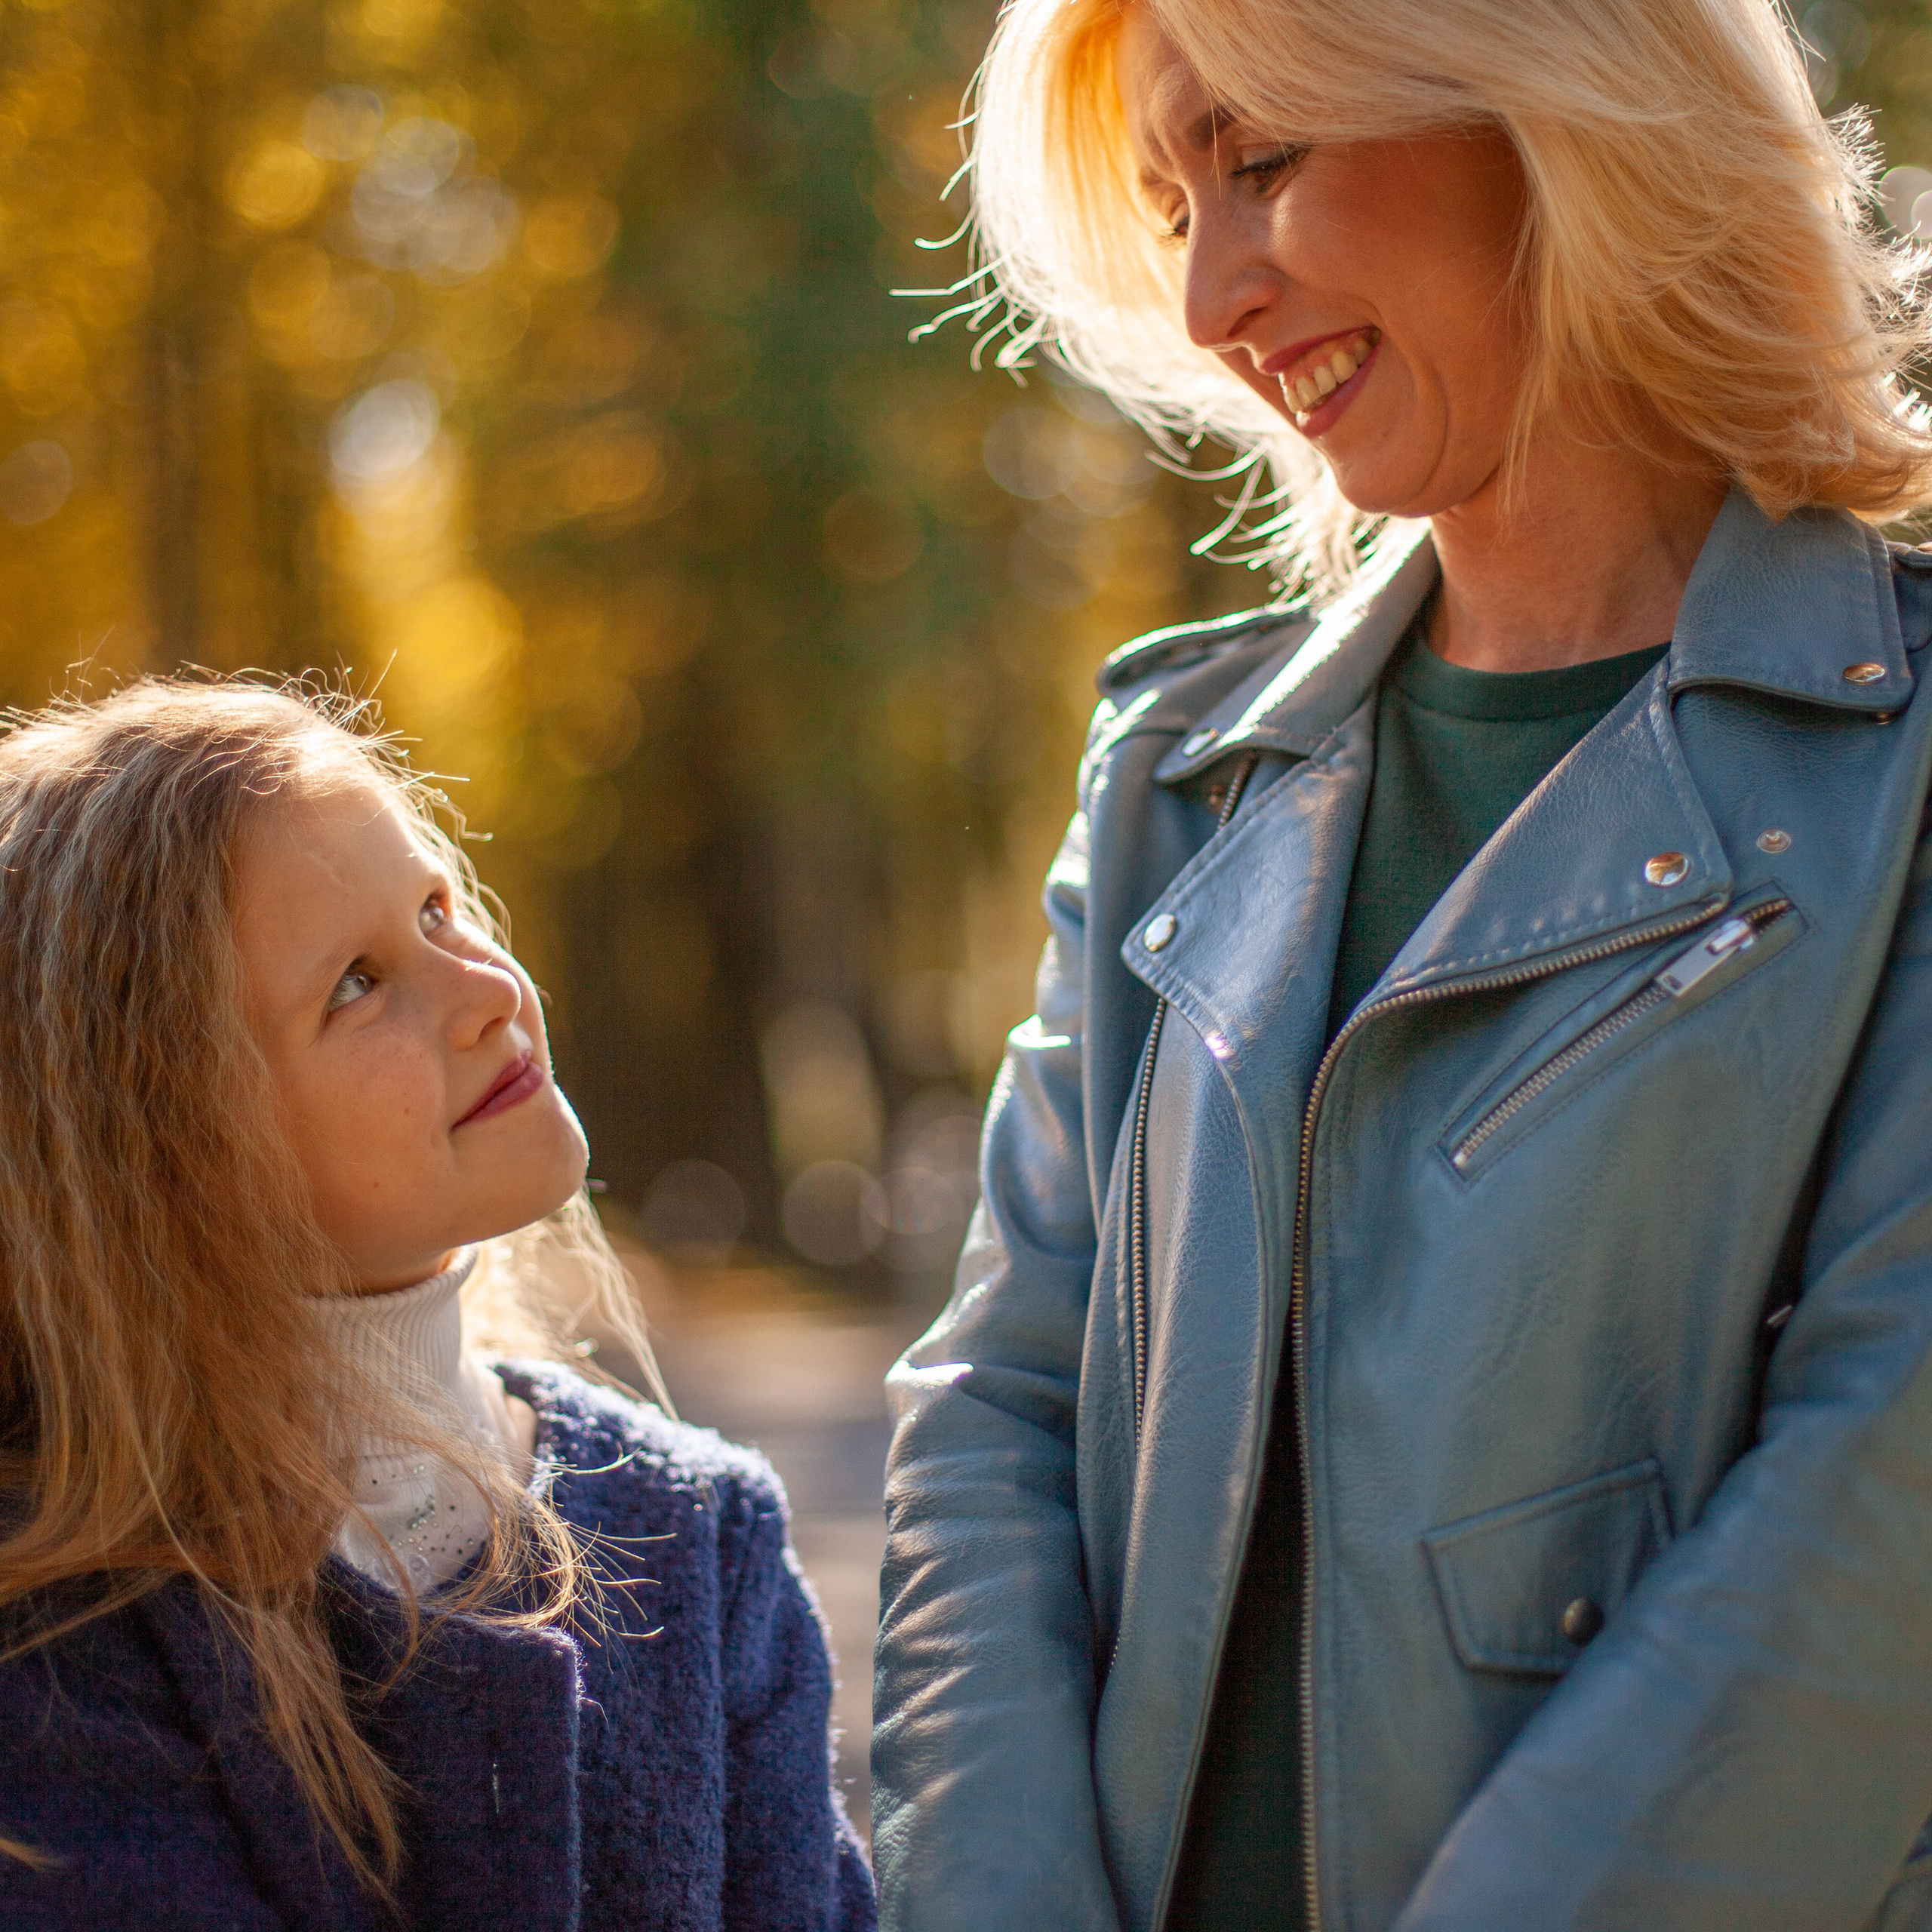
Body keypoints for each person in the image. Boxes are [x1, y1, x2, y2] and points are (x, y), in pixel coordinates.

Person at [872, 0, 1932, 1927]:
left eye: (1262, 161)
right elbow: (996, 1414)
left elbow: (1888, 1489)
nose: (1206, 301)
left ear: (1556, 114)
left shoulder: (1907, 758)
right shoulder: (1172, 787)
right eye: (1168, 203)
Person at [0, 679, 875, 1932]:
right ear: (164, 1157)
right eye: (354, 984)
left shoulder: (697, 1530)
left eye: (436, 908)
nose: (485, 992)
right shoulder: (73, 1637)